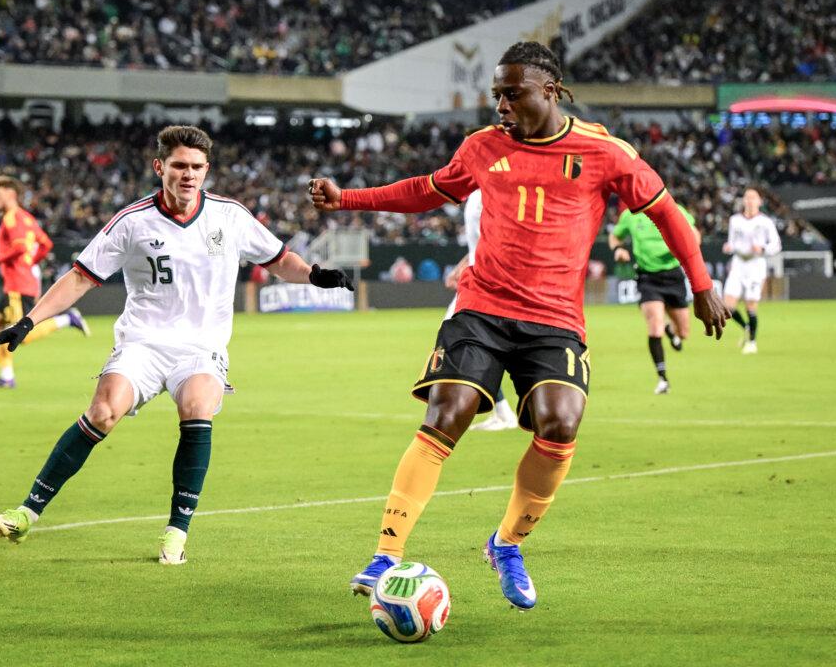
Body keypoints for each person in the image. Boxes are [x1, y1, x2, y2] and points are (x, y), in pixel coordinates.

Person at [310, 42, 728, 610]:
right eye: (497, 95)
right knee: (447, 413)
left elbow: (666, 213)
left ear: (549, 91)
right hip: (481, 307)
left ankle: (506, 543)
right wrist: (348, 200)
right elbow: (427, 190)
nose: (501, 105)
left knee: (561, 424)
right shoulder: (482, 147)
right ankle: (386, 553)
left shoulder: (605, 152)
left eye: (513, 94)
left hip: (554, 320)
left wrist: (701, 286)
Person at [0, 125, 354, 564]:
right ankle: (27, 513)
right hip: (143, 342)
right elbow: (81, 277)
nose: (188, 174)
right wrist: (27, 322)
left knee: (197, 405)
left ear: (207, 170)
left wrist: (314, 275)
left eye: (197, 167)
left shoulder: (230, 216)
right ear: (160, 167)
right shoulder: (132, 221)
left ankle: (176, 532)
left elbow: (278, 259)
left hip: (201, 347)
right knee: (103, 411)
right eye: (179, 165)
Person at [0, 175, 89, 388]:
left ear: (10, 194)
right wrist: (31, 262)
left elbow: (21, 247)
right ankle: (6, 377)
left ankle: (67, 319)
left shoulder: (11, 218)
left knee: (20, 335)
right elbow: (46, 244)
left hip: (17, 286)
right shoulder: (27, 218)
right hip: (20, 282)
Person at [609, 200, 701, 394]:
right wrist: (618, 249)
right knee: (654, 326)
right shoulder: (630, 215)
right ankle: (662, 379)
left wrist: (687, 248)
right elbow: (615, 236)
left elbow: (694, 234)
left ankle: (669, 329)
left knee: (683, 332)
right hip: (647, 278)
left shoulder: (675, 209)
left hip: (673, 276)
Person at [444, 190, 517, 430]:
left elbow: (498, 238)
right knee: (460, 341)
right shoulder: (478, 193)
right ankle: (501, 410)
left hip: (486, 282)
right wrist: (462, 265)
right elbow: (481, 240)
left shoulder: (489, 191)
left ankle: (500, 411)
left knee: (459, 340)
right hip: (478, 278)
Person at [722, 188, 782, 354]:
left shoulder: (765, 222)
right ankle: (746, 327)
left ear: (759, 202)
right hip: (738, 264)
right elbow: (732, 242)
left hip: (756, 265)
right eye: (747, 197)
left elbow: (776, 245)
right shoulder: (735, 220)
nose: (749, 201)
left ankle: (752, 342)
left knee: (751, 306)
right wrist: (729, 247)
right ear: (743, 201)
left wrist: (762, 249)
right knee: (727, 306)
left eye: (753, 198)